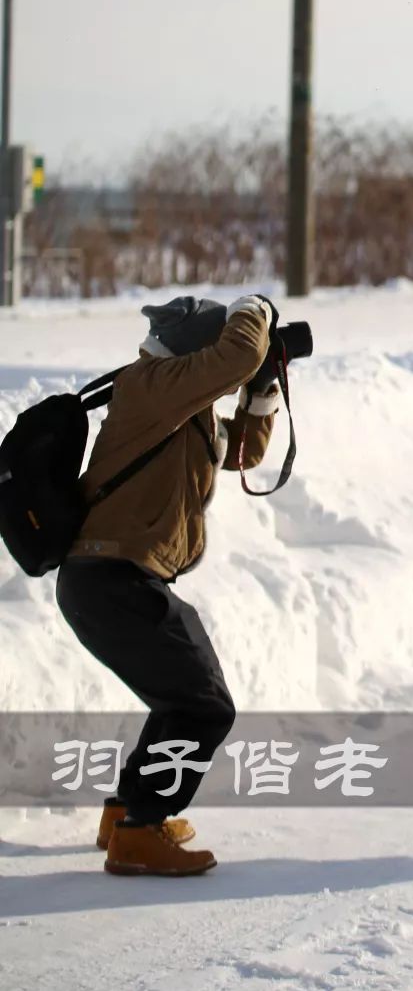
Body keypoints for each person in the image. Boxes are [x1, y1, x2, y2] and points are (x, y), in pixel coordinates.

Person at [55, 293, 282, 877]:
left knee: (182, 697)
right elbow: (235, 356)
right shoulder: (150, 383)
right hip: (111, 579)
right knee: (203, 706)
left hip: (120, 580)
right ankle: (141, 831)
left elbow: (239, 454)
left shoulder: (178, 408)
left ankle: (129, 811)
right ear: (192, 348)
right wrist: (252, 310)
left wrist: (262, 393)